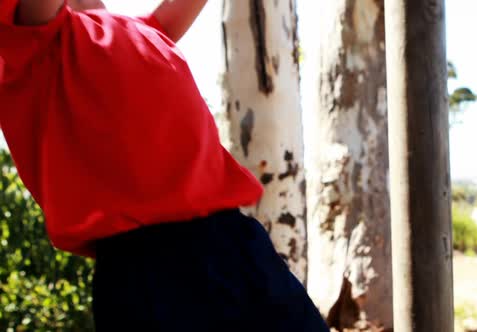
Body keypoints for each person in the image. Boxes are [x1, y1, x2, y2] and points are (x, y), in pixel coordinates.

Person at [0, 0, 330, 330]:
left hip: (237, 242)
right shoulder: (29, 37)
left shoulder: (141, 31)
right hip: (150, 269)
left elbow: (174, 13)